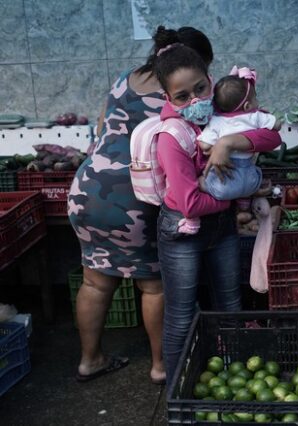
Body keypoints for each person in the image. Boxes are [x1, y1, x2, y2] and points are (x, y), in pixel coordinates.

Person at [67, 26, 214, 385]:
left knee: (96, 281)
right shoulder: (178, 97)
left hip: (87, 188)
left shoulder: (124, 79)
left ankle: (90, 360)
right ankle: (161, 366)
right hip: (135, 196)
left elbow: (102, 129)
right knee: (155, 286)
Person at [150, 43, 281, 384]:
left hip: (221, 228)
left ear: (211, 80)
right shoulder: (171, 137)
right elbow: (190, 203)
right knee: (181, 315)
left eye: (200, 88)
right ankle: (178, 393)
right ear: (167, 97)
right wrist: (243, 193)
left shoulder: (221, 113)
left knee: (230, 303)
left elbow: (271, 135)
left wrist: (227, 144)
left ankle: (233, 376)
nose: (194, 100)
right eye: (181, 96)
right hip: (182, 233)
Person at [177, 66, 280, 234]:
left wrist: (219, 145)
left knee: (203, 181)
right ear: (247, 105)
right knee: (250, 180)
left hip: (223, 185)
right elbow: (277, 126)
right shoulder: (255, 115)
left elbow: (204, 145)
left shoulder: (216, 121)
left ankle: (213, 189)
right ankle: (244, 205)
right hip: (252, 180)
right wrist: (258, 120)